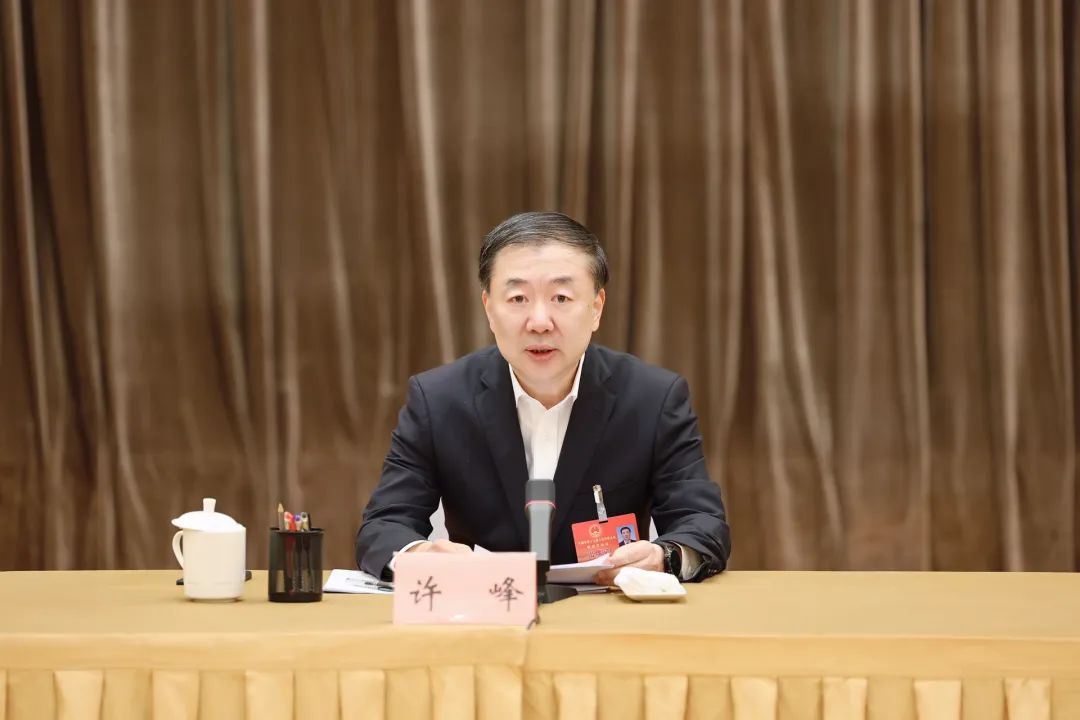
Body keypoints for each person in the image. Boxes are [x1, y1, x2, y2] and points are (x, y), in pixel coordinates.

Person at [355, 211, 730, 584]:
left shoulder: (652, 398)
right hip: (485, 609)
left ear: (596, 308)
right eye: (518, 298)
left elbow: (702, 523)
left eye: (561, 297)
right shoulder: (439, 399)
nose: (539, 322)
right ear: (489, 308)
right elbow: (384, 525)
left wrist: (663, 556)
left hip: (606, 609)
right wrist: (417, 554)